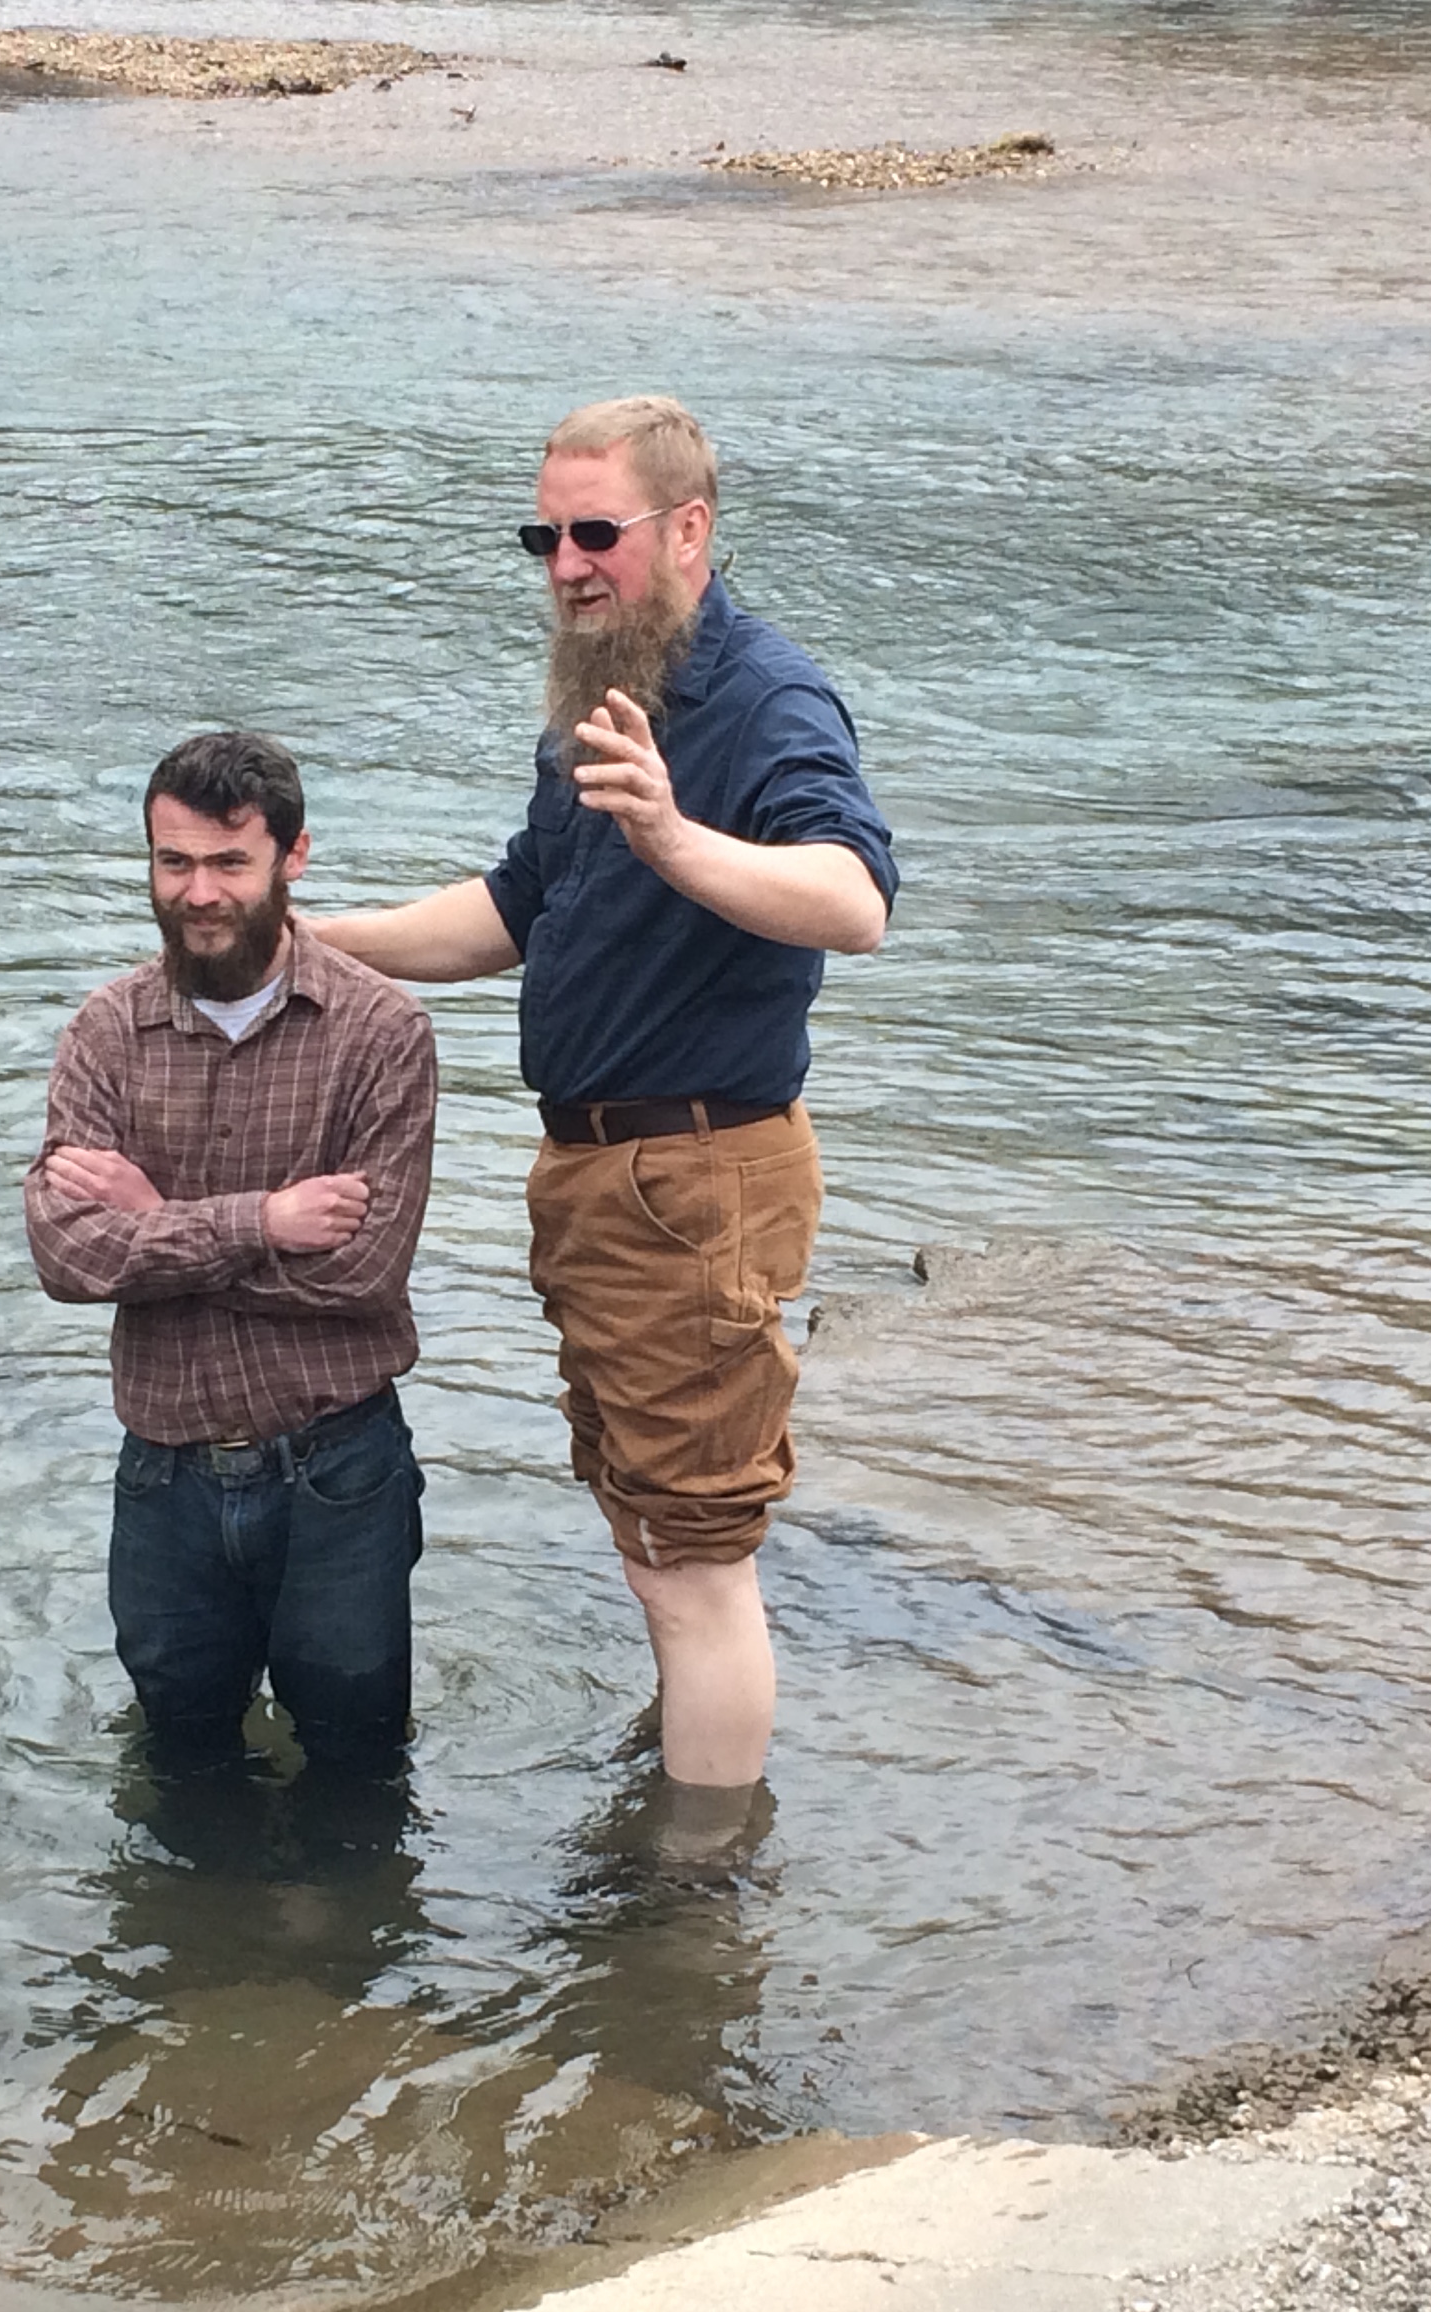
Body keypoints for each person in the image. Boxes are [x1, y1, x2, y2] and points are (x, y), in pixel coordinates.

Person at [309, 396, 896, 1794]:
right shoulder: (603, 696)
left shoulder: (764, 697)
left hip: (698, 1181)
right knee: (648, 1541)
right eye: (545, 535)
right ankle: (681, 1777)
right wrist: (309, 939)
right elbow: (515, 910)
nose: (566, 564)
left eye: (596, 535)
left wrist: (676, 835)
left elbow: (855, 901)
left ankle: (695, 1907)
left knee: (697, 1568)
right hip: (607, 1182)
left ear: (688, 529)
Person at [25, 730, 438, 1777]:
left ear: (292, 859)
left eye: (227, 863)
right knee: (178, 1757)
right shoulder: (105, 1033)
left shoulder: (382, 1032)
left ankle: (334, 1939)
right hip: (163, 1474)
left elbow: (364, 1269)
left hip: (338, 1469)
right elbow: (67, 1255)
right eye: (174, 862)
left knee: (358, 1765)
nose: (198, 892)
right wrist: (258, 1222)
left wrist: (153, 1222)